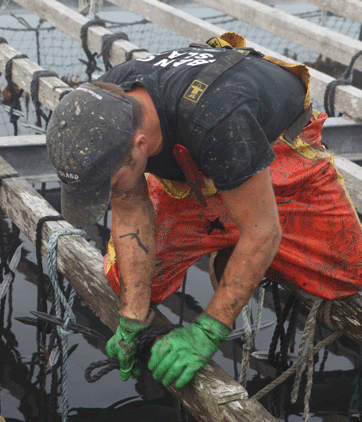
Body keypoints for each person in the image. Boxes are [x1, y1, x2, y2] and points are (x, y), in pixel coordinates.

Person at [45, 33, 362, 389]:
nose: (107, 195)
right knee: (127, 280)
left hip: (274, 150)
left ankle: (237, 246)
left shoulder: (220, 118)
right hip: (195, 160)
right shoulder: (110, 107)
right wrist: (132, 317)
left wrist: (208, 330)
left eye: (109, 184)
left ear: (139, 145)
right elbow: (131, 209)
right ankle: (232, 240)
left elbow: (263, 230)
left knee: (348, 272)